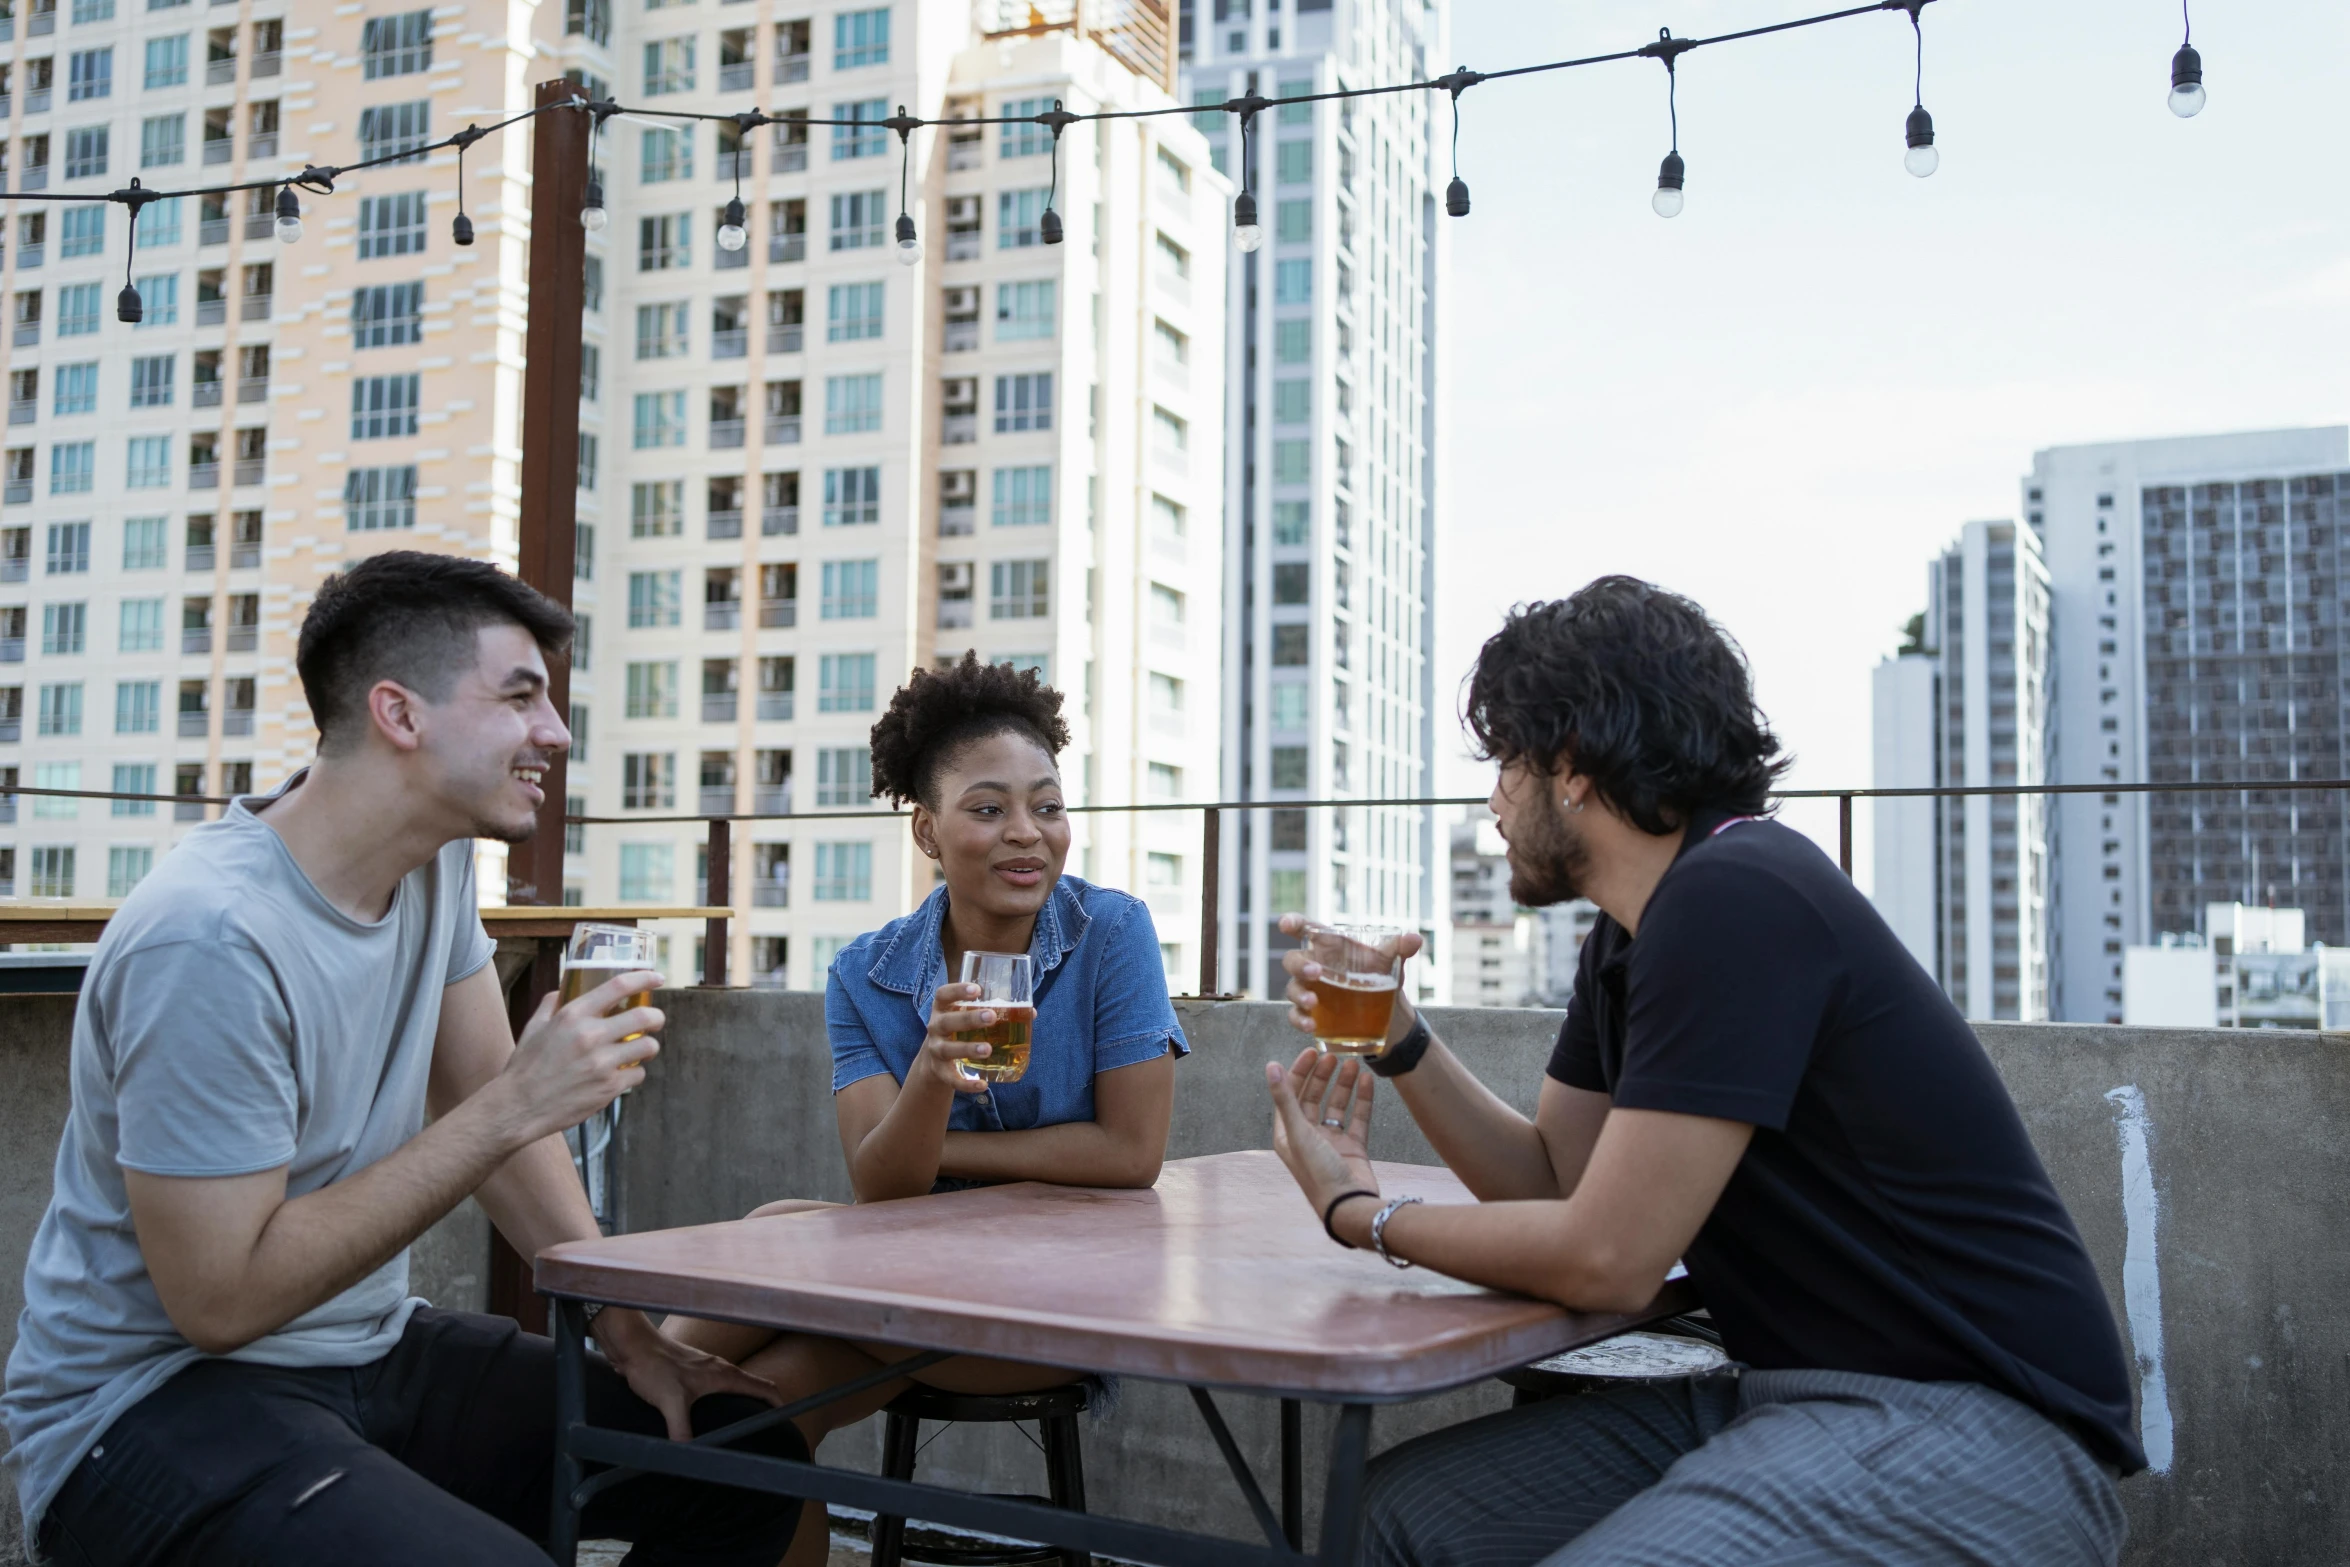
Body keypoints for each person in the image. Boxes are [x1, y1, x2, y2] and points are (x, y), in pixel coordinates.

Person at [1263, 576, 2141, 1567]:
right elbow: (1559, 1183)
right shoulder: (1633, 935)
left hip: (1973, 1423)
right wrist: (1398, 1037)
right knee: (1390, 1518)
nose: (1493, 798)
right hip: (1779, 1390)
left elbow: (1608, 1258)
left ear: (1572, 766)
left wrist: (1361, 1215)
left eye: (1507, 758)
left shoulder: (1737, 896)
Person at [3, 550, 804, 1567]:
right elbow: (219, 1300)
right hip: (145, 1408)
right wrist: (518, 1102)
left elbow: (482, 1091)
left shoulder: (431, 867)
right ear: (400, 713)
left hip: (362, 1348)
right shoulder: (210, 940)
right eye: (521, 697)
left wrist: (625, 1327)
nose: (554, 733)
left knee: (741, 1456)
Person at [668, 654, 1187, 1567]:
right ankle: (624, 1410)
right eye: (988, 809)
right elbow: (881, 1185)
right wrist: (932, 1078)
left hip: (1061, 1301)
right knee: (743, 1407)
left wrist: (951, 1147)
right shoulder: (866, 972)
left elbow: (1131, 1150)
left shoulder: (1113, 933)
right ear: (927, 830)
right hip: (905, 1275)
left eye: (1048, 805)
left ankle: (609, 1429)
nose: (1027, 834)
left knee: (760, 1357)